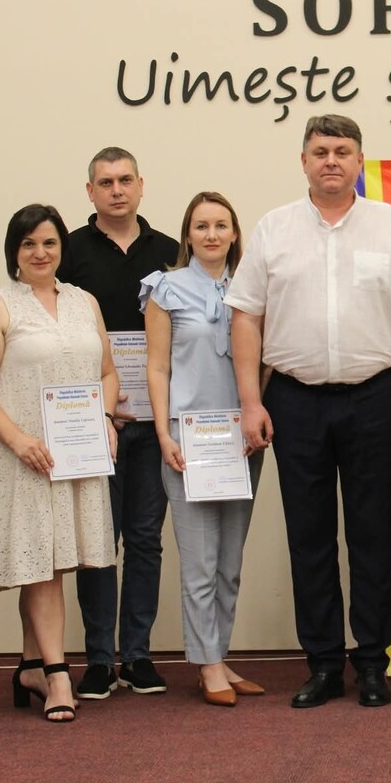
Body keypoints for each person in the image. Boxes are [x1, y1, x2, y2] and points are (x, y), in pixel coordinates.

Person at [227, 114, 391, 708]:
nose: (331, 161)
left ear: (358, 161)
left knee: (373, 535)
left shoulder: (389, 225)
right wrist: (250, 401)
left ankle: (371, 663)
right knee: (309, 537)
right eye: (320, 151)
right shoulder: (273, 229)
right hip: (294, 401)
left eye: (342, 151)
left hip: (374, 398)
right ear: (303, 161)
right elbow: (245, 316)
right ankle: (322, 663)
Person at [0, 204, 118, 722]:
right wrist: (18, 439)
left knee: (48, 564)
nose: (39, 252)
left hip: (76, 455)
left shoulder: (84, 302)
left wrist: (104, 420)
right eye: (28, 243)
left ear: (62, 249)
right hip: (24, 457)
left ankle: (31, 666)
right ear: (14, 250)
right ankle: (57, 676)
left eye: (49, 242)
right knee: (44, 566)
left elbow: (108, 373)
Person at [58, 147, 179, 700]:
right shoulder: (69, 252)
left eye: (125, 179)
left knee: (147, 540)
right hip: (93, 421)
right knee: (97, 542)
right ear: (90, 191)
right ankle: (99, 660)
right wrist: (98, 403)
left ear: (141, 184)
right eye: (105, 182)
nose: (116, 190)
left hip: (154, 422)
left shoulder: (170, 252)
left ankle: (138, 655)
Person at [142, 191, 265, 707]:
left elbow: (267, 360)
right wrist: (163, 433)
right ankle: (207, 664)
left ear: (234, 234)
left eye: (221, 225)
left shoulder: (253, 289)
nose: (211, 235)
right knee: (199, 561)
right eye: (201, 226)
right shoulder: (165, 288)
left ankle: (219, 655)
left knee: (229, 563)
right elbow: (157, 367)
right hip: (187, 440)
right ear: (187, 235)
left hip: (242, 440)